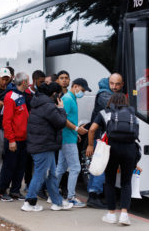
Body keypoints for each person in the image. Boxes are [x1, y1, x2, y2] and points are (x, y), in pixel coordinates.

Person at [87, 93, 138, 226]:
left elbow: (92, 129)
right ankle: (124, 214)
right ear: (125, 102)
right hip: (129, 149)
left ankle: (111, 214)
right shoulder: (132, 113)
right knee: (126, 182)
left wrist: (90, 145)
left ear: (110, 101)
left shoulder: (104, 112)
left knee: (109, 181)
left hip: (111, 149)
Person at [21, 82, 73, 212]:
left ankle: (58, 202)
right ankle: (29, 202)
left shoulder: (39, 102)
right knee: (41, 173)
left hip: (41, 144)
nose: (60, 96)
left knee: (51, 175)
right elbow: (60, 122)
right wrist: (61, 108)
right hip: (43, 145)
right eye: (60, 94)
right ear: (55, 94)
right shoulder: (48, 106)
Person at [86, 73, 124, 209]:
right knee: (101, 166)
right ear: (108, 82)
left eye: (117, 84)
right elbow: (114, 108)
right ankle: (94, 195)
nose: (114, 87)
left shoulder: (110, 93)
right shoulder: (104, 94)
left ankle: (93, 194)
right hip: (101, 137)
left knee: (98, 165)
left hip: (102, 136)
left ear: (122, 84)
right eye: (112, 83)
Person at [56, 78, 91, 208]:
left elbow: (67, 119)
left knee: (60, 168)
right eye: (82, 90)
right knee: (75, 168)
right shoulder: (68, 99)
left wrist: (75, 132)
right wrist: (77, 129)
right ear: (75, 86)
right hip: (67, 139)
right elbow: (62, 119)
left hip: (68, 137)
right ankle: (71, 197)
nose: (83, 93)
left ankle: (52, 194)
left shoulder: (70, 98)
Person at [0, 72, 30, 202]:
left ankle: (15, 191)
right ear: (24, 82)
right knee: (9, 166)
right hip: (14, 139)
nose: (29, 83)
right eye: (28, 81)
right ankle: (1, 191)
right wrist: (11, 139)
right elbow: (7, 121)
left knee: (20, 166)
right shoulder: (10, 97)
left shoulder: (21, 95)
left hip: (22, 138)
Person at [23, 70, 46, 197]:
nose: (42, 84)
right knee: (27, 159)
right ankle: (27, 183)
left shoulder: (40, 94)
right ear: (34, 80)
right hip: (27, 130)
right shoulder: (25, 94)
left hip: (37, 131)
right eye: (41, 82)